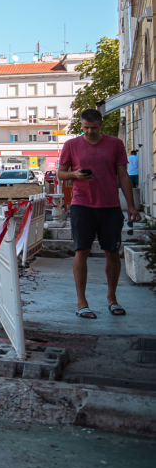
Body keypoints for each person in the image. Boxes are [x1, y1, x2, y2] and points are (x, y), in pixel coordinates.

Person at [57, 109, 140, 319]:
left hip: (110, 205)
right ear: (82, 125)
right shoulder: (71, 145)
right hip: (82, 204)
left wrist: (131, 206)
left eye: (93, 128)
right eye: (85, 128)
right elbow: (60, 173)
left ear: (101, 124)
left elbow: (123, 175)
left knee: (112, 252)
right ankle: (82, 303)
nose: (89, 131)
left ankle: (112, 299)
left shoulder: (115, 144)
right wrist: (75, 174)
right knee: (81, 251)